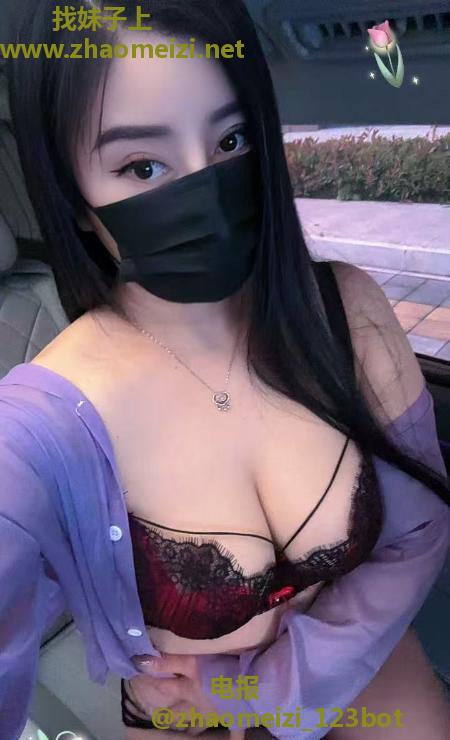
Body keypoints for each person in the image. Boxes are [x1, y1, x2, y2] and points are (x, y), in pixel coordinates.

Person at [1, 2, 449, 739]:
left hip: (345, 647)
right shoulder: (35, 427)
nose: (205, 193)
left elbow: (417, 534)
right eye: (143, 166)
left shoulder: (346, 311)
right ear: (74, 198)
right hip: (180, 705)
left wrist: (257, 691)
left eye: (232, 139)